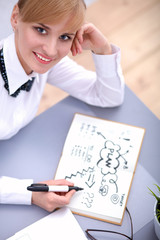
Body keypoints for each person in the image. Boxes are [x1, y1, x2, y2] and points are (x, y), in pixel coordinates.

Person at [0, 0, 124, 212]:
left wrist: (102, 49)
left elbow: (108, 97)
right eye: (41, 30)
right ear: (15, 18)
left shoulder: (42, 61)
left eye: (64, 36)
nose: (51, 49)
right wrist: (30, 194)